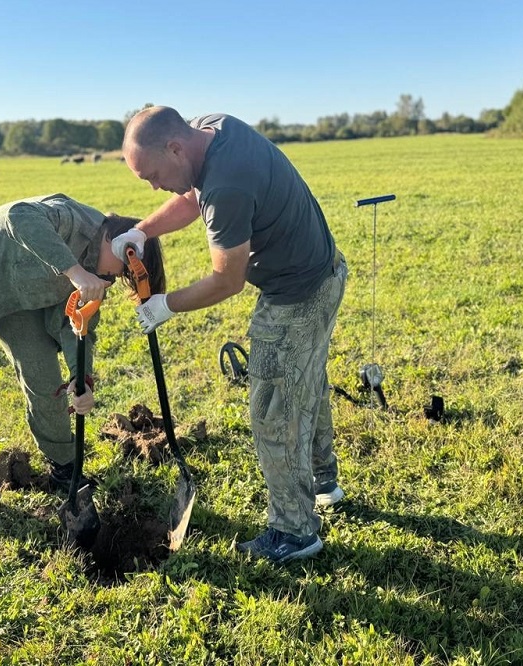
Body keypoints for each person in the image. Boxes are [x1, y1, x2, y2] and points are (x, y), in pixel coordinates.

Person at [114, 106, 347, 563]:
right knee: (308, 384)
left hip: (296, 294)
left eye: (153, 175)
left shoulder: (227, 186)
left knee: (273, 409)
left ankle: (295, 532)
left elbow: (227, 280)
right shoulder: (212, 130)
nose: (154, 185)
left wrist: (164, 305)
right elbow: (188, 195)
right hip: (324, 271)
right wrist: (142, 232)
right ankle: (324, 482)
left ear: (176, 148)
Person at [0, 193, 165, 533]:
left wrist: (83, 381)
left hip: (17, 299)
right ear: (118, 243)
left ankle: (64, 467)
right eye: (122, 272)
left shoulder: (94, 273)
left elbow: (76, 327)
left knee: (46, 379)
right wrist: (74, 271)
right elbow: (18, 215)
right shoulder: (73, 219)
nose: (113, 280)